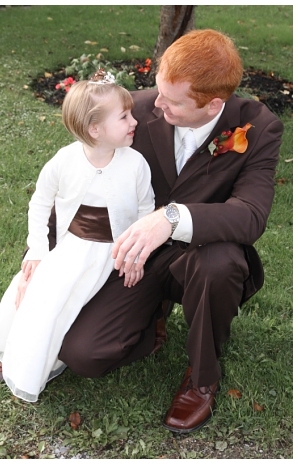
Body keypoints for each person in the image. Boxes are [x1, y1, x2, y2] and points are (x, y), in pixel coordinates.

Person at [53, 30, 283, 433]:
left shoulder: (258, 128)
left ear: (213, 103)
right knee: (84, 355)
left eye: (172, 101)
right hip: (133, 256)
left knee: (220, 261)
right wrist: (42, 257)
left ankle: (202, 378)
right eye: (158, 91)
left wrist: (171, 218)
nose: (156, 104)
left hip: (203, 258)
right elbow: (77, 183)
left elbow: (249, 215)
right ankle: (149, 320)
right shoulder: (134, 111)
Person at [0, 71, 155, 402]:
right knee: (43, 299)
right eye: (124, 116)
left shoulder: (135, 164)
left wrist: (136, 256)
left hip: (113, 252)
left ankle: (53, 356)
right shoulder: (64, 162)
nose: (133, 121)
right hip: (72, 249)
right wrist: (36, 251)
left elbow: (146, 213)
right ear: (95, 130)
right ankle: (22, 358)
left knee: (77, 308)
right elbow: (39, 205)